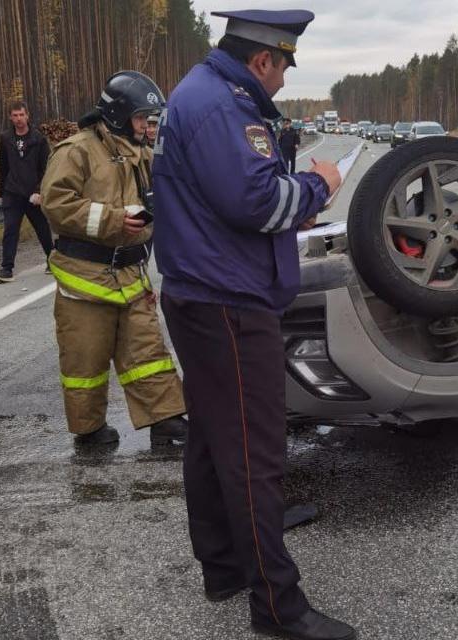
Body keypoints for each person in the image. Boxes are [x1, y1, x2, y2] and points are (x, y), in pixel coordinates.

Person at [153, 10, 353, 640]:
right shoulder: (222, 106)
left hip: (207, 293)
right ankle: (277, 607)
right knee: (254, 455)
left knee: (215, 441)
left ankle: (224, 564)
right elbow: (260, 202)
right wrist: (319, 186)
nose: (284, 80)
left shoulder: (205, 95)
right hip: (227, 302)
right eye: (285, 66)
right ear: (264, 58)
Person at [40, 71, 188, 448]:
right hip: (84, 280)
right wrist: (113, 219)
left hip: (130, 275)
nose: (146, 126)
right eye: (141, 118)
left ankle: (166, 418)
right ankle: (88, 430)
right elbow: (57, 204)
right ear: (119, 114)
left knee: (148, 351)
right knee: (84, 361)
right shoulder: (76, 151)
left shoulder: (142, 154)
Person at [0, 101, 54, 283]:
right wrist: (2, 191)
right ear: (10, 117)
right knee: (10, 230)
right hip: (13, 192)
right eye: (15, 115)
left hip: (33, 193)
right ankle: (6, 268)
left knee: (42, 228)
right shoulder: (6, 138)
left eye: (21, 115)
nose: (19, 119)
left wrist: (40, 191)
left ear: (27, 116)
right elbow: (3, 166)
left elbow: (46, 168)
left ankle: (52, 259)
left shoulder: (39, 139)